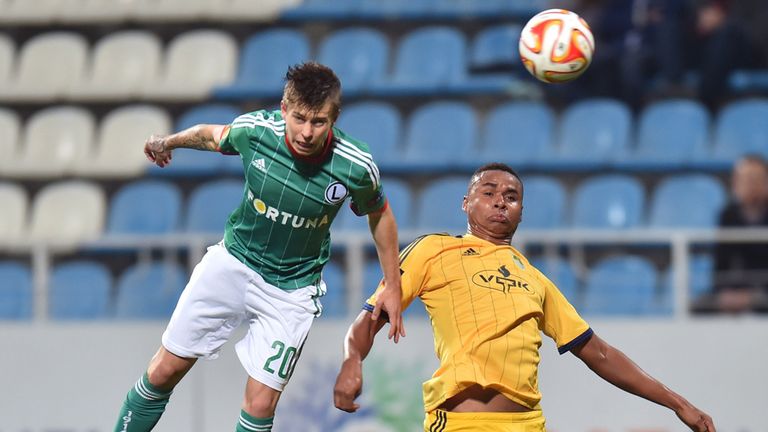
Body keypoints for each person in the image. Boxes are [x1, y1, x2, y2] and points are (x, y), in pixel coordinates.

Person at [113, 62, 405, 432]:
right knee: (163, 371)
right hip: (233, 263)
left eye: (319, 122)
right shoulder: (256, 131)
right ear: (284, 108)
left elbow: (380, 216)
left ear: (335, 117)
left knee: (261, 404)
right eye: (299, 118)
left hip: (292, 289)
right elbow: (210, 136)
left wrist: (392, 286)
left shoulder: (356, 165)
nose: (306, 132)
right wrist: (167, 142)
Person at [333, 163, 715, 432]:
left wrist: (679, 403)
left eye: (511, 196)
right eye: (489, 192)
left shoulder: (535, 279)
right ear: (466, 204)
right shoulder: (433, 251)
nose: (501, 200)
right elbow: (370, 316)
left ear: (521, 213)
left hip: (529, 424)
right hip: (464, 423)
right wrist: (352, 361)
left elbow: (598, 352)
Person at [711, 154, 768, 313]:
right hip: (736, 289)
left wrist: (755, 294)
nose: (751, 185)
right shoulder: (727, 215)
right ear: (735, 184)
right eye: (744, 179)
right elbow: (721, 263)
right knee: (698, 307)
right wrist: (726, 292)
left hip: (764, 290)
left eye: (756, 179)